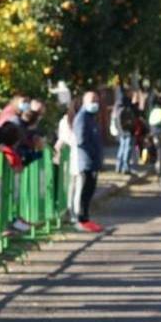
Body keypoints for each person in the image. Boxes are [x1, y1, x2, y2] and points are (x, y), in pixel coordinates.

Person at [71, 91, 105, 233]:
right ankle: (81, 219)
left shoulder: (91, 117)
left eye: (96, 100)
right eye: (92, 100)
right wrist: (92, 154)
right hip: (86, 161)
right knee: (84, 192)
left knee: (90, 191)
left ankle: (86, 218)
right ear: (85, 101)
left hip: (93, 162)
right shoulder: (82, 118)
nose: (95, 103)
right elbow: (81, 140)